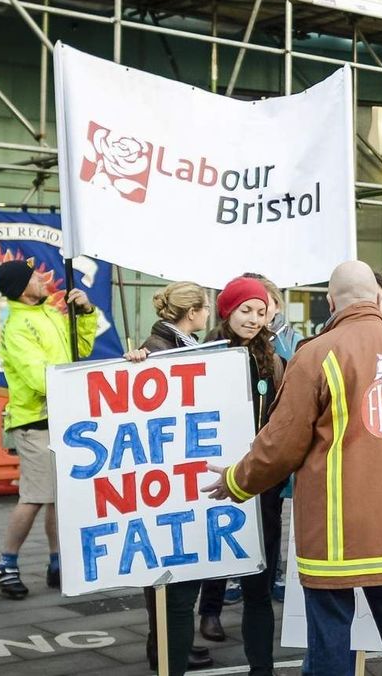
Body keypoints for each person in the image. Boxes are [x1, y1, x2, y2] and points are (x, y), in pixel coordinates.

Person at [206, 261, 382, 676]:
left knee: (330, 647)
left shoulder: (315, 354)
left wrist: (236, 480)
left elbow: (281, 445)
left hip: (334, 532)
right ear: (378, 299)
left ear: (331, 302)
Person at [152, 277, 283, 676]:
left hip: (257, 490)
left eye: (261, 312)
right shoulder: (195, 354)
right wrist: (137, 362)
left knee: (258, 591)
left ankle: (263, 669)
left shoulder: (273, 360)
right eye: (246, 310)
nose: (254, 319)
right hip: (202, 489)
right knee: (181, 592)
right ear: (227, 311)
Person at [0, 258, 96, 598]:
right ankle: (5, 565)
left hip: (57, 416)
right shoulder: (19, 326)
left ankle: (57, 562)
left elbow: (81, 350)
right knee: (35, 496)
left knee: (56, 497)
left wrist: (86, 313)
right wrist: (75, 386)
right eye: (34, 276)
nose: (41, 278)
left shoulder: (48, 313)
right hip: (35, 421)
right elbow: (40, 378)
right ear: (24, 290)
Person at [132, 281, 216, 672]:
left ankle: (167, 648)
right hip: (167, 477)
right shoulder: (160, 349)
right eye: (206, 307)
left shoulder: (175, 343)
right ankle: (166, 652)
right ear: (193, 312)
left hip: (175, 474)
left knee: (172, 581)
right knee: (168, 579)